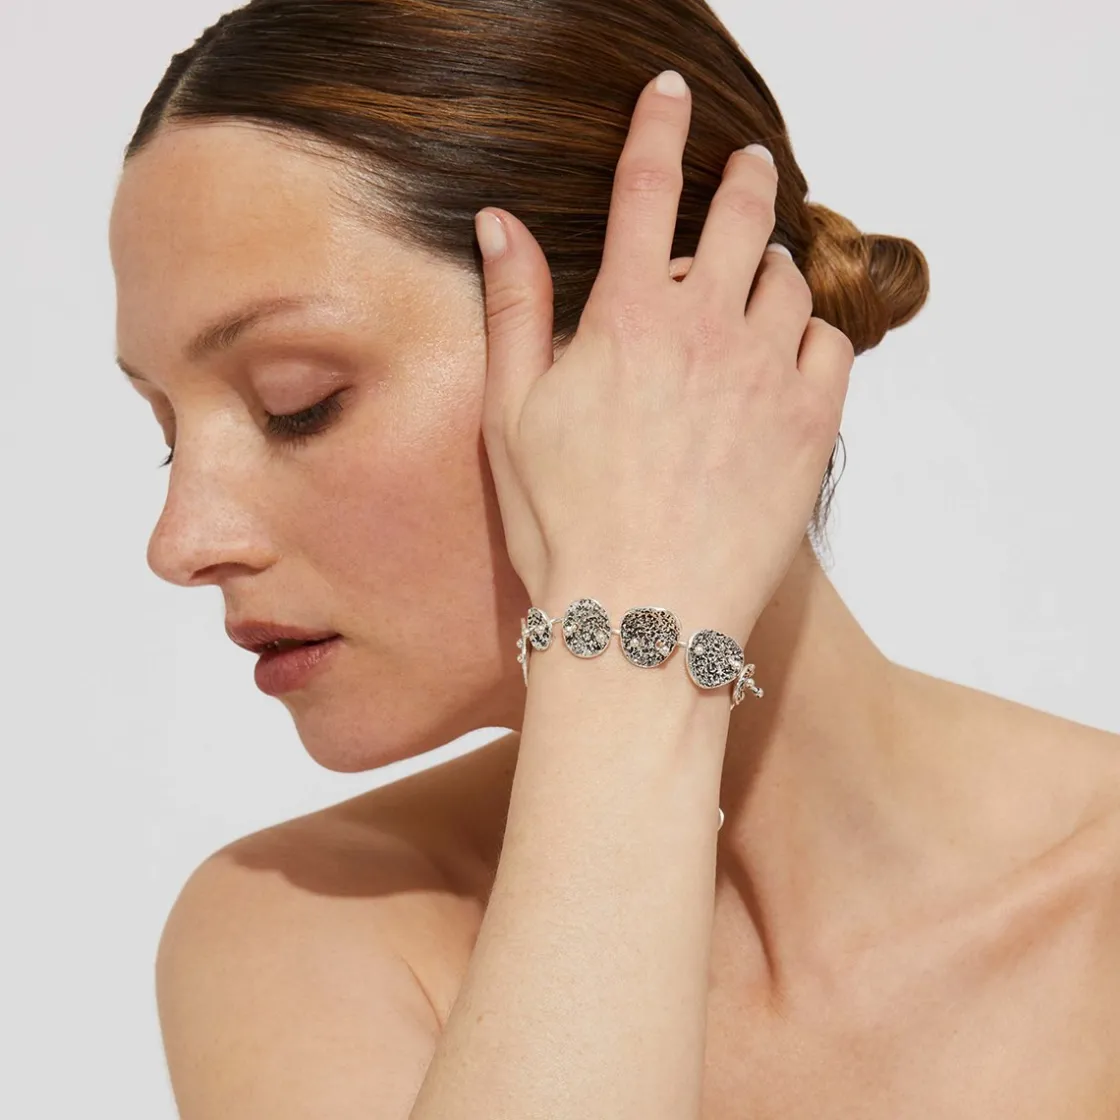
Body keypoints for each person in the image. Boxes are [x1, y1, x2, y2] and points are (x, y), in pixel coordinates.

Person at [109, 2, 1120, 1117]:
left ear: (668, 341)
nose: (182, 542)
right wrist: (632, 664)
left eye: (297, 403)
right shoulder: (303, 929)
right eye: (168, 436)